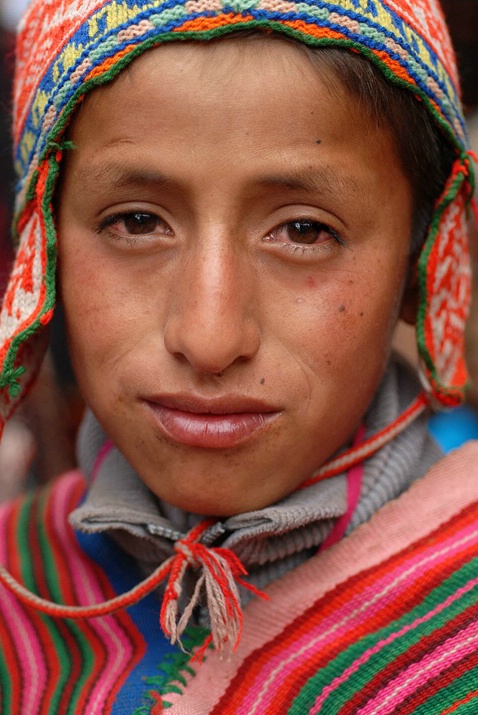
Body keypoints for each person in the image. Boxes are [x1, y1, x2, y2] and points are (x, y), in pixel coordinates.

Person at [0, 0, 477, 712]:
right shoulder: (16, 583)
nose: (210, 336)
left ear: (420, 260)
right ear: (45, 249)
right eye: (136, 221)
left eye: (305, 231)